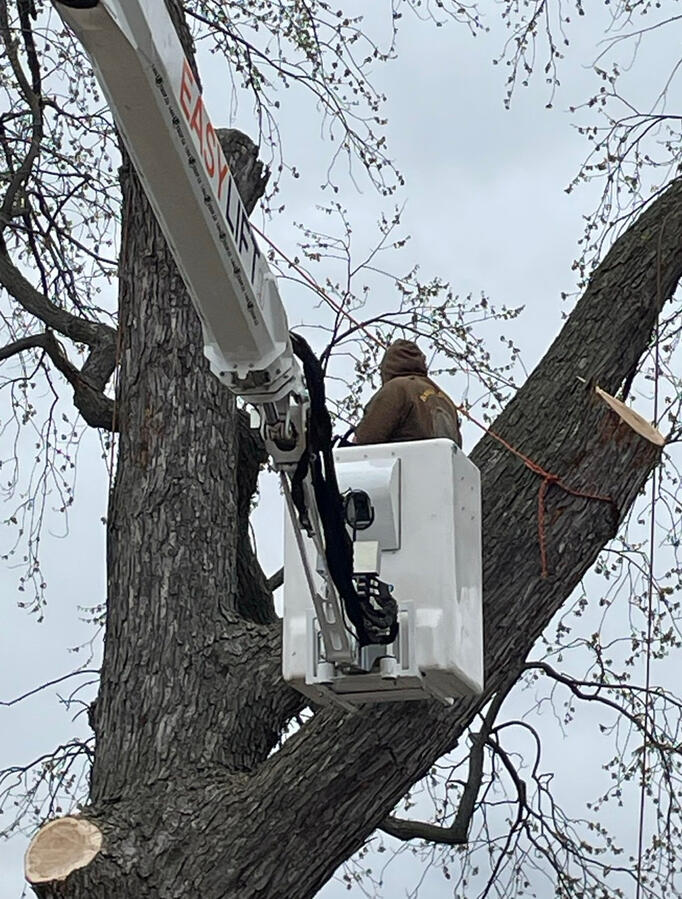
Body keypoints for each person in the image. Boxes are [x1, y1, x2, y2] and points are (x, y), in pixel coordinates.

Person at [354, 339, 462, 447]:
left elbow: (367, 438)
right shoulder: (446, 400)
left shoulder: (396, 388)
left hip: (405, 461)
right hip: (440, 462)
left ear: (387, 367)